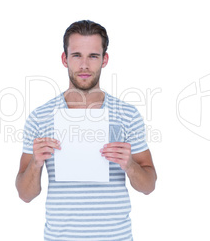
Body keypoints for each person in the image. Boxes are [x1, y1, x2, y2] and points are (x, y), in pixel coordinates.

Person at [16, 20, 157, 241]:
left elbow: (149, 186)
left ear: (104, 59)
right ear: (64, 59)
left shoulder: (127, 115)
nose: (84, 65)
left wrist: (129, 165)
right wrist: (36, 163)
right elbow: (25, 195)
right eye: (76, 55)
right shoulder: (40, 117)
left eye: (92, 56)